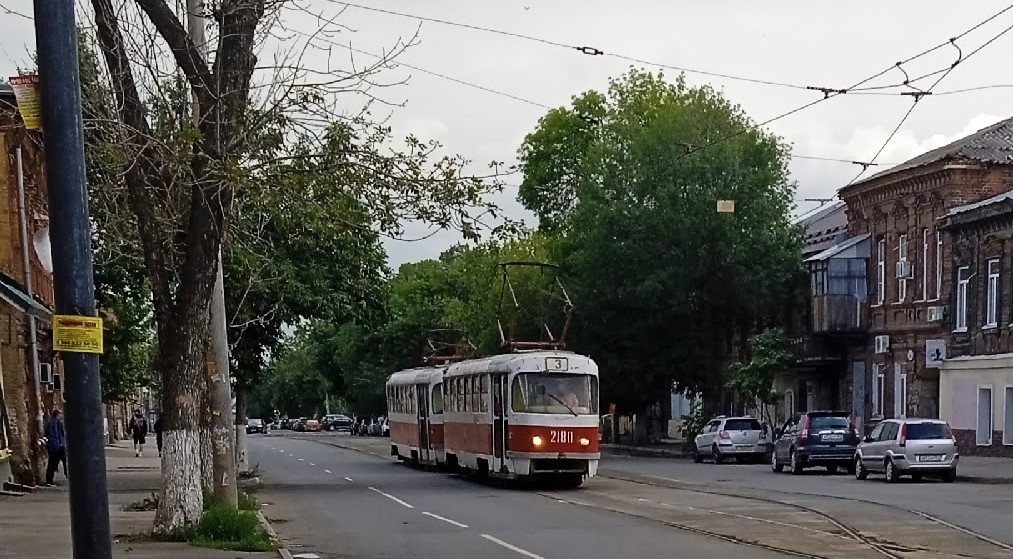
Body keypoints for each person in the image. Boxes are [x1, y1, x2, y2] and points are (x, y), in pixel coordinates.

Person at [44, 409, 66, 486]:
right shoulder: (58, 423)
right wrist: (62, 444)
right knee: (61, 460)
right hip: (57, 445)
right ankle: (50, 480)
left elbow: (46, 434)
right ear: (57, 415)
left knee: (51, 463)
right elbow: (61, 434)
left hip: (51, 445)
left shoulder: (48, 423)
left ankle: (49, 480)